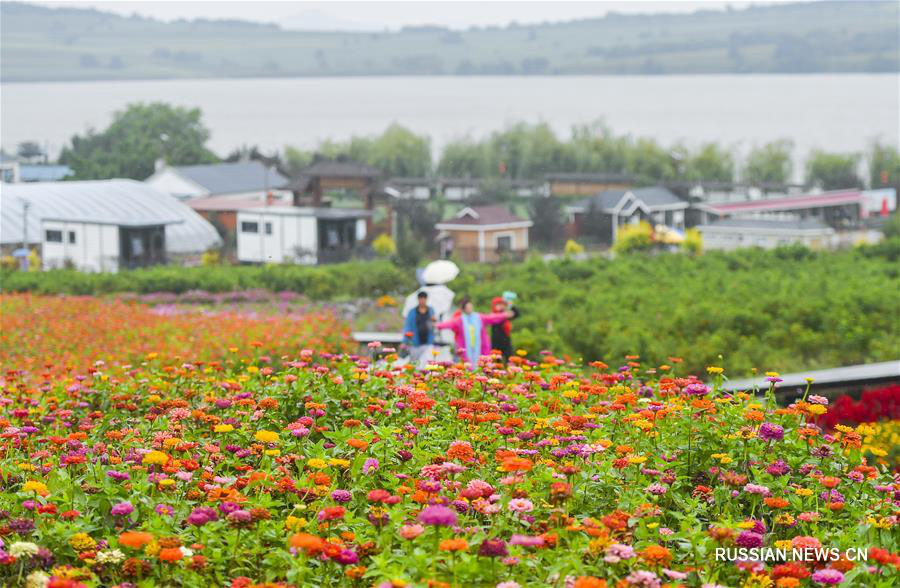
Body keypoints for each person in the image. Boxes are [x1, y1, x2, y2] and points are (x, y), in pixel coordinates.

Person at [436, 296, 512, 367]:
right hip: (466, 348)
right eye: (468, 307)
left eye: (470, 307)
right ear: (464, 309)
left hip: (480, 347)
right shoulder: (460, 320)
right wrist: (437, 325)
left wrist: (504, 315)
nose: (470, 309)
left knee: (482, 366)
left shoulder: (478, 317)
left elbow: (491, 317)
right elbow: (449, 323)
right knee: (467, 366)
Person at [403, 291, 435, 368]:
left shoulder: (431, 311)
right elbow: (408, 326)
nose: (422, 301)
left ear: (426, 299)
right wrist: (405, 341)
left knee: (427, 363)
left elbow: (434, 325)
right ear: (418, 299)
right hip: (415, 342)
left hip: (427, 342)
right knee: (414, 363)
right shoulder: (412, 311)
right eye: (421, 299)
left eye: (424, 299)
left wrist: (434, 321)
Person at [489, 292, 520, 360]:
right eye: (499, 304)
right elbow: (497, 318)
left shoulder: (505, 313)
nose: (501, 306)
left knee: (510, 358)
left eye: (502, 304)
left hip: (506, 339)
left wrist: (511, 306)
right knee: (496, 360)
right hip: (496, 341)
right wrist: (504, 313)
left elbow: (516, 314)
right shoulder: (493, 315)